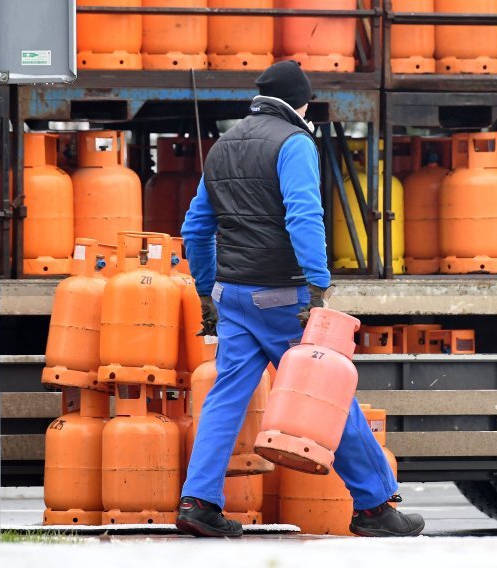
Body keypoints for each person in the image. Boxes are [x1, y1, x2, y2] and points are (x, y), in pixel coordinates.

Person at [175, 61, 424, 539]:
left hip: (232, 295)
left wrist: (207, 291)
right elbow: (304, 215)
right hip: (283, 297)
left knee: (225, 400)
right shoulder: (294, 143)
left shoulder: (223, 147)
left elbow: (196, 228)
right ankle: (375, 507)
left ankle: (198, 501)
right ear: (300, 102)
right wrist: (317, 286)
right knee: (329, 395)